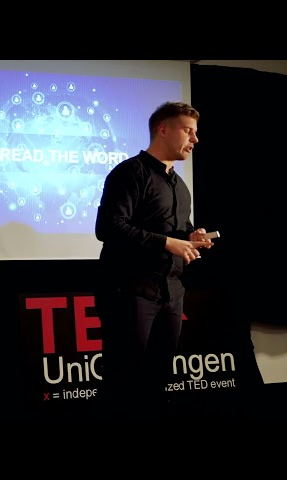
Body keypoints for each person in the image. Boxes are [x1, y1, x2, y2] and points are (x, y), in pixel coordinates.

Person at [94, 101, 214, 423]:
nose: (195, 139)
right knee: (123, 379)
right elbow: (108, 227)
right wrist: (167, 242)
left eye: (195, 132)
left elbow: (177, 231)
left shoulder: (180, 185)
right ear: (163, 129)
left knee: (157, 378)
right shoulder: (130, 173)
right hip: (130, 290)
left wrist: (191, 236)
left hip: (171, 292)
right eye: (188, 131)